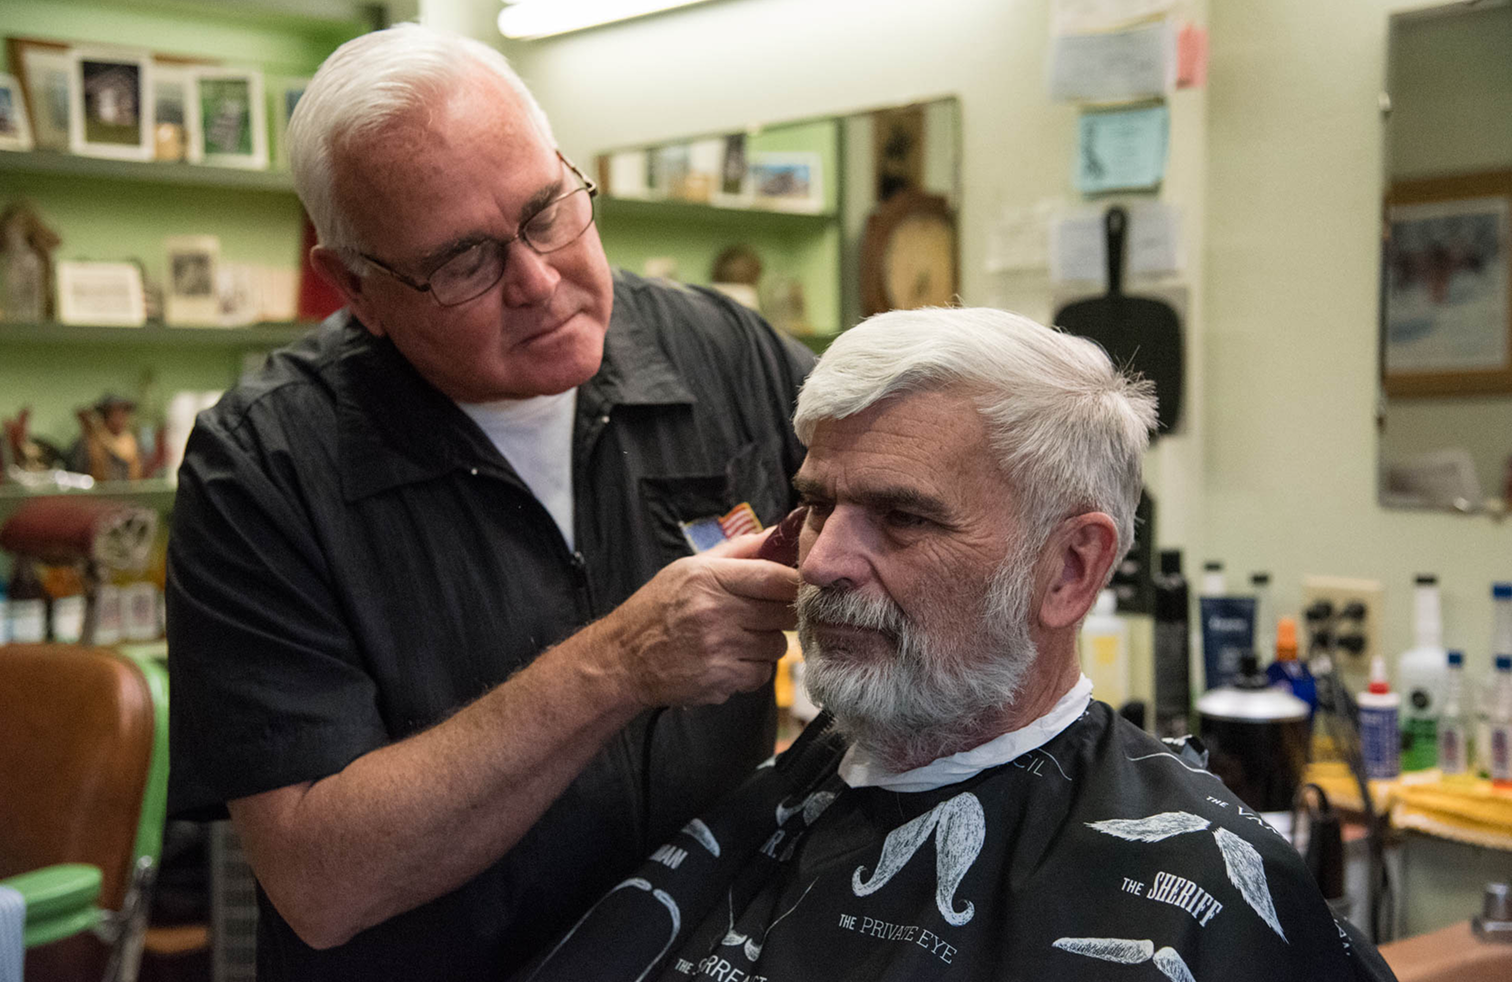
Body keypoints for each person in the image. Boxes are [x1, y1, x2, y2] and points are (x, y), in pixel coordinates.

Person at [164, 23, 814, 981]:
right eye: (465, 261)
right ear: (358, 287)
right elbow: (321, 882)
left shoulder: (717, 349)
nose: (540, 281)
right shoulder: (264, 468)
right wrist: (619, 665)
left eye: (549, 210)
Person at [518, 307, 1397, 982]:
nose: (821, 560)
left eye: (900, 517)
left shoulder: (1196, 890)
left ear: (1070, 569)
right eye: (819, 503)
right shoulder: (765, 805)